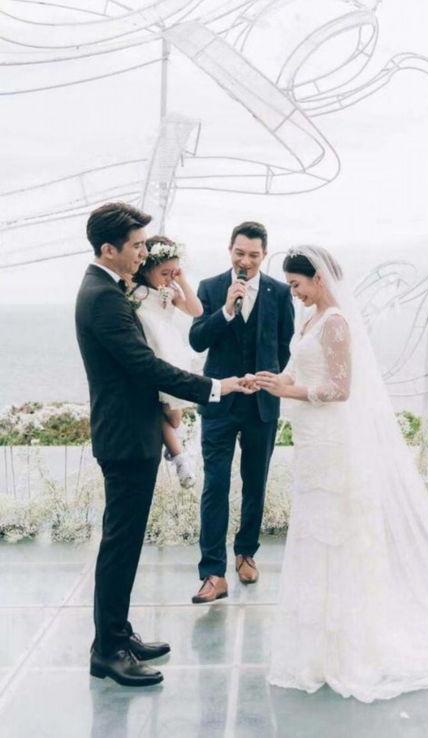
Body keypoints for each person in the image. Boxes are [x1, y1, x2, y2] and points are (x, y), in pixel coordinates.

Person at [254, 245, 428, 702]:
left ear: (319, 279)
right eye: (290, 286)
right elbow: (296, 372)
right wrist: (270, 381)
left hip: (333, 444)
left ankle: (346, 643)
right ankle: (316, 644)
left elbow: (339, 389)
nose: (294, 293)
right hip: (311, 443)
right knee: (313, 531)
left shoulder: (336, 323)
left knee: (336, 532)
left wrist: (292, 391)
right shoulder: (309, 320)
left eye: (297, 285)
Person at [75, 202, 250, 688]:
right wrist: (215, 387)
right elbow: (145, 366)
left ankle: (117, 633)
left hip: (133, 430)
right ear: (108, 249)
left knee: (125, 543)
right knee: (120, 545)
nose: (141, 253)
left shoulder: (108, 290)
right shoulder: (103, 298)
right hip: (126, 436)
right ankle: (108, 651)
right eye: (135, 246)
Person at [188, 221, 295, 603]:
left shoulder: (279, 292)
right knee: (215, 485)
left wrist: (266, 378)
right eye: (239, 253)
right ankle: (212, 572)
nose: (245, 261)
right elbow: (197, 340)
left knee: (255, 481)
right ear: (229, 250)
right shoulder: (210, 287)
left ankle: (246, 552)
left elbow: (284, 345)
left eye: (253, 255)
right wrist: (226, 312)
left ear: (263, 255)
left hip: (261, 403)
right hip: (220, 402)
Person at [131, 235, 202, 488]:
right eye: (164, 273)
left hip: (170, 350)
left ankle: (173, 450)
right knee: (164, 410)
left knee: (174, 416)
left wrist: (181, 280)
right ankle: (179, 456)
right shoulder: (135, 292)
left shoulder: (170, 290)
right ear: (145, 269)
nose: (168, 278)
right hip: (153, 351)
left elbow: (196, 310)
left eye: (173, 272)